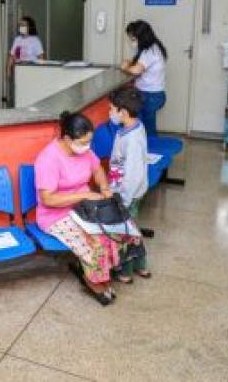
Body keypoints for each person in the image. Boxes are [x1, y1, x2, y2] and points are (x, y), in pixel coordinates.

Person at [34, 111, 141, 306]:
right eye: (83, 143)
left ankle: (105, 271)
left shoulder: (84, 151)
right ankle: (94, 280)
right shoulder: (48, 159)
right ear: (67, 138)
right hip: (55, 215)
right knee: (96, 241)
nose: (87, 147)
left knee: (116, 230)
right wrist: (83, 194)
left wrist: (104, 187)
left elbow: (97, 169)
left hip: (85, 207)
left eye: (88, 142)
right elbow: (48, 199)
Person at [107, 88, 151, 283]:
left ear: (123, 112)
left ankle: (125, 272)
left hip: (128, 194)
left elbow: (133, 174)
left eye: (111, 109)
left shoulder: (131, 139)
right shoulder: (134, 127)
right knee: (132, 229)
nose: (110, 113)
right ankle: (141, 266)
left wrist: (123, 198)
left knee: (124, 232)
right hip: (128, 190)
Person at [120, 20, 167, 136]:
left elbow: (136, 70)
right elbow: (137, 61)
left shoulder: (149, 51)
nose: (132, 43)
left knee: (147, 128)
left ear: (142, 37)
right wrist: (129, 62)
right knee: (146, 125)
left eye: (133, 39)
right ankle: (148, 146)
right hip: (152, 94)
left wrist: (125, 68)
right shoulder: (152, 47)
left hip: (150, 96)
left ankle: (150, 150)